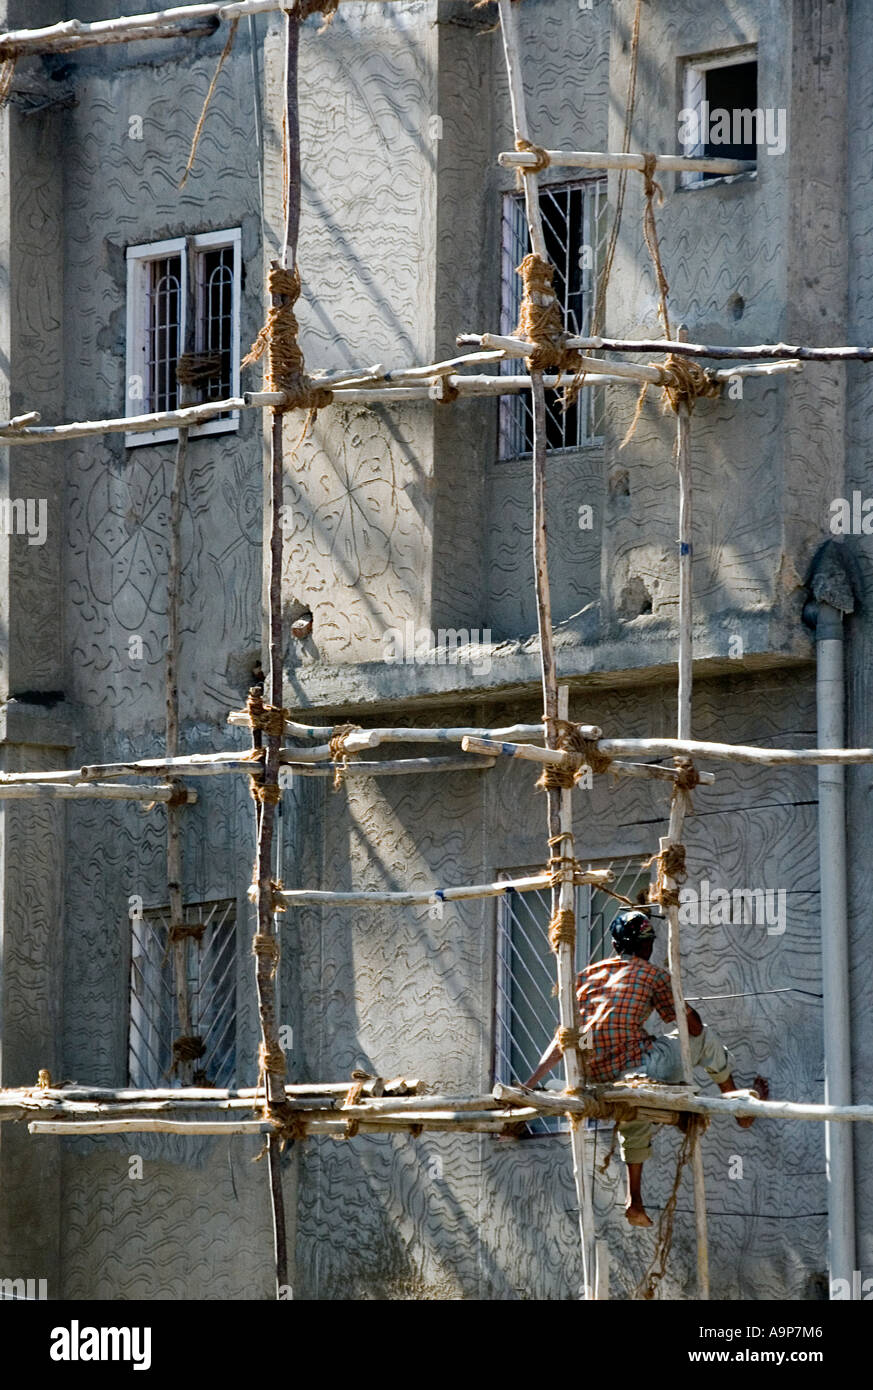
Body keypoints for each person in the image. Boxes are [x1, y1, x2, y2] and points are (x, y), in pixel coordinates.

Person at [524, 905, 768, 1227]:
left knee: (634, 1107)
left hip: (600, 1080)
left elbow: (563, 1040)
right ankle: (740, 1107)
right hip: (639, 1069)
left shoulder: (584, 978)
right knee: (703, 1041)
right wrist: (684, 1004)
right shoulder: (652, 974)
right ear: (648, 946)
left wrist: (529, 1085)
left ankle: (634, 1199)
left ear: (614, 945)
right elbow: (692, 1029)